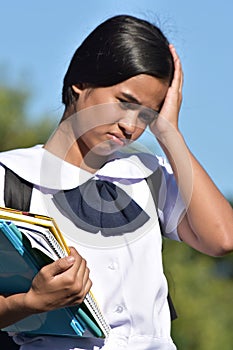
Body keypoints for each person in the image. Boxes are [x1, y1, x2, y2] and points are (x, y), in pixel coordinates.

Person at [0, 14, 232, 350]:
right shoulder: (10, 176)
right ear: (80, 83)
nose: (131, 126)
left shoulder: (148, 174)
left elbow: (222, 239)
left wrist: (170, 133)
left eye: (147, 114)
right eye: (125, 102)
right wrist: (32, 303)